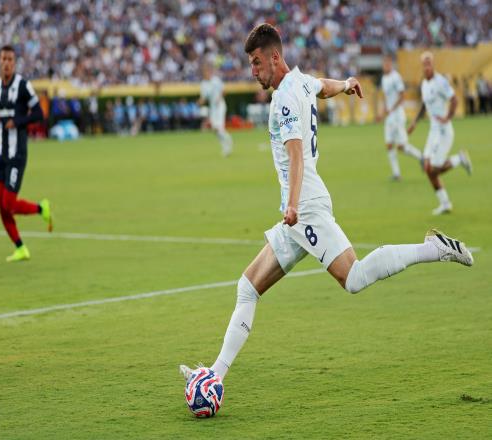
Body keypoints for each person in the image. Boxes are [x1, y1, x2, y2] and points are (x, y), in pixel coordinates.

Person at [180, 25, 473, 390]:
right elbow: (323, 86)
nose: (252, 71)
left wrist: (292, 206)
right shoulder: (301, 81)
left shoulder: (284, 99)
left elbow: (296, 155)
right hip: (302, 206)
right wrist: (347, 83)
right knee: (247, 287)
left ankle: (433, 249)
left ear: (274, 57)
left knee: (354, 278)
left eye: (256, 62)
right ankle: (215, 376)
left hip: (304, 208)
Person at [0, 45, 53, 262]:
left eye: (10, 59)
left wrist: (18, 121)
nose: (6, 63)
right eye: (3, 59)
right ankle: (20, 248)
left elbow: (39, 114)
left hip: (17, 154)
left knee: (7, 204)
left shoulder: (23, 86)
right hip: (1, 155)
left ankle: (41, 208)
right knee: (0, 204)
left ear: (15, 63)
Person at [408, 52, 472, 215]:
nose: (427, 67)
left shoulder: (441, 81)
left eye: (429, 63)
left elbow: (454, 100)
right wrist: (415, 122)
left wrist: (447, 117)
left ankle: (459, 159)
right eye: (424, 64)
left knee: (434, 169)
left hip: (443, 131)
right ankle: (445, 204)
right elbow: (424, 105)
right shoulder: (424, 83)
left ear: (433, 64)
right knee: (428, 169)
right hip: (433, 130)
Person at [379, 55, 422, 180]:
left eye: (387, 64)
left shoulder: (396, 77)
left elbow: (402, 96)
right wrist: (383, 112)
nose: (386, 66)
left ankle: (422, 157)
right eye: (384, 64)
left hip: (397, 115)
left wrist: (391, 109)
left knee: (402, 146)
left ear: (391, 64)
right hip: (389, 117)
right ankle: (396, 174)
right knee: (389, 144)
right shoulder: (384, 78)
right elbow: (386, 97)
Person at [198, 64, 233, 157]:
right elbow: (204, 97)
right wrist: (199, 102)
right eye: (205, 72)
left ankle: (227, 144)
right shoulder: (203, 84)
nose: (207, 73)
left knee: (219, 127)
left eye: (208, 71)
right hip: (212, 108)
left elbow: (224, 91)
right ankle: (225, 143)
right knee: (214, 129)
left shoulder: (216, 80)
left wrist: (219, 98)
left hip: (220, 105)